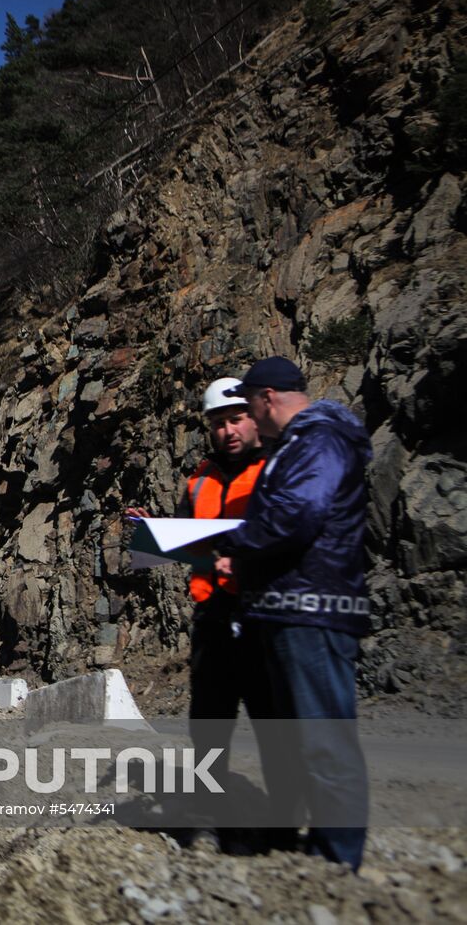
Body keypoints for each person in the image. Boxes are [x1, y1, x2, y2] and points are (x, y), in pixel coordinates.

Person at [212, 356, 372, 870]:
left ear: (265, 399)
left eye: (250, 410)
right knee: (301, 739)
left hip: (312, 607)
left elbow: (299, 514)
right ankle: (314, 849)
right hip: (289, 608)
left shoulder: (319, 439)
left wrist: (236, 540)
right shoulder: (304, 444)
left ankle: (337, 860)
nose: (251, 424)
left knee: (324, 740)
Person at [126, 377, 269, 848]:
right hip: (212, 616)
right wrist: (154, 533)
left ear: (253, 419)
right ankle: (211, 818)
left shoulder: (275, 471)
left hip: (264, 615)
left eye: (235, 420)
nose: (228, 431)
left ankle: (281, 826)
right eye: (218, 423)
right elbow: (192, 543)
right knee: (209, 724)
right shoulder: (200, 480)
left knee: (275, 723)